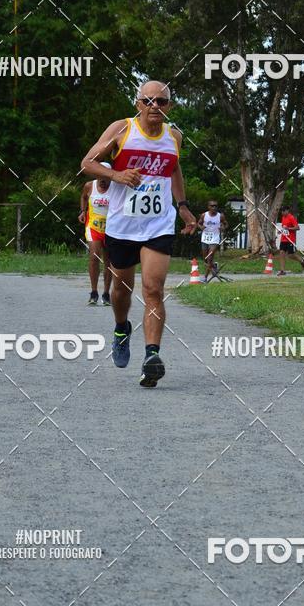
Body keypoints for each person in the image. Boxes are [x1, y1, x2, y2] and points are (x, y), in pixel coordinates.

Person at [81, 81, 197, 387]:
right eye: (149, 101)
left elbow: (173, 169)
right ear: (138, 103)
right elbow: (87, 163)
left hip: (158, 224)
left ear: (170, 106)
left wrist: (183, 205)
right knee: (121, 290)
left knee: (154, 289)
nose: (155, 106)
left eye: (162, 101)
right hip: (122, 225)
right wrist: (116, 174)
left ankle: (151, 357)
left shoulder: (174, 136)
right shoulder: (122, 129)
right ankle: (121, 328)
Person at [78, 164, 112, 305]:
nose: (103, 181)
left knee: (109, 262)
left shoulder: (116, 188)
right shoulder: (89, 186)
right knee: (94, 257)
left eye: (106, 178)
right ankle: (93, 292)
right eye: (101, 178)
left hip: (111, 229)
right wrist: (83, 211)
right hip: (93, 227)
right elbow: (84, 197)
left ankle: (106, 294)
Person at [197, 200, 227, 282]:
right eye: (212, 206)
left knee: (209, 258)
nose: (214, 207)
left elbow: (226, 224)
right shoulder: (204, 215)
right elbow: (199, 223)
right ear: (208, 207)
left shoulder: (220, 216)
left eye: (216, 206)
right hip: (205, 238)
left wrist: (223, 228)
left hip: (215, 239)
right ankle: (214, 265)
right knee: (205, 259)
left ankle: (205, 278)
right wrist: (201, 227)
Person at [276, 205, 304, 275]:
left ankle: (302, 260)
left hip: (290, 239)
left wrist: (289, 228)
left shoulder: (291, 217)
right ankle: (282, 270)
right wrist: (281, 231)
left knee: (290, 255)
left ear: (287, 211)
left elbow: (297, 228)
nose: (282, 212)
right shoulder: (283, 217)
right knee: (281, 253)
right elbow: (284, 227)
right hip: (283, 239)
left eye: (283, 211)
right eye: (281, 211)